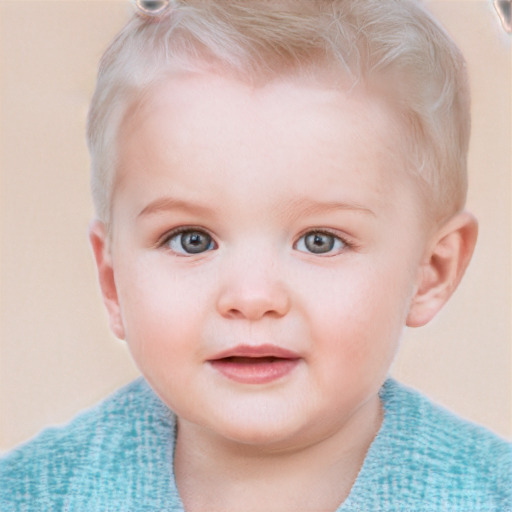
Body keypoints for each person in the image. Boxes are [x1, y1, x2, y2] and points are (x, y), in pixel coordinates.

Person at [0, 0, 510, 510]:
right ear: (112, 282)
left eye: (320, 241)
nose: (251, 297)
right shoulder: (30, 495)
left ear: (431, 271)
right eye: (191, 239)